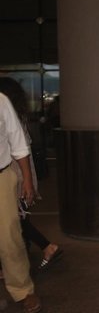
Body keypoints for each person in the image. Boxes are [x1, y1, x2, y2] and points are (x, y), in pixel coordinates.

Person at [0, 77, 63, 273]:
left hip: (14, 171)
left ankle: (45, 247)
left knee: (15, 219)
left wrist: (26, 180)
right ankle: (37, 252)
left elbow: (20, 148)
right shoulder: (19, 115)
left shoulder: (9, 114)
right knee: (18, 219)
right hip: (19, 170)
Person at [0, 91, 42, 313]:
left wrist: (27, 180)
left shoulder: (1, 100)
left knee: (9, 237)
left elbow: (18, 143)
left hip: (1, 176)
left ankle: (23, 290)